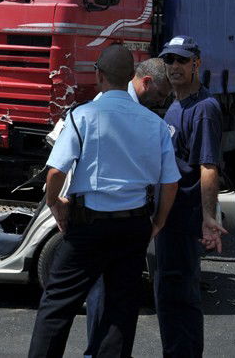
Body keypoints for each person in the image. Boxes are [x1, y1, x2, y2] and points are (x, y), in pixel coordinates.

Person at [28, 46, 180, 358]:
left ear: (99, 76)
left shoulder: (82, 115)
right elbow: (170, 182)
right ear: (130, 78)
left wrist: (54, 202)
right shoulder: (155, 125)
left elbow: (56, 171)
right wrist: (158, 221)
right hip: (134, 225)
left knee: (57, 305)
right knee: (121, 310)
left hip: (90, 225)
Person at [84, 57, 174, 356]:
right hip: (111, 216)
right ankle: (97, 351)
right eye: (160, 95)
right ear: (146, 82)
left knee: (119, 295)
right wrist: (158, 221)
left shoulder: (126, 109)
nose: (161, 102)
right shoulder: (121, 110)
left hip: (116, 215)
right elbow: (169, 179)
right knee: (106, 293)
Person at [156, 36, 228, 357]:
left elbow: (208, 167)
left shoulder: (204, 109)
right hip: (167, 220)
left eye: (181, 60)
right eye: (168, 60)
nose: (173, 67)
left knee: (181, 300)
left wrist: (209, 218)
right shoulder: (177, 103)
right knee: (168, 300)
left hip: (183, 221)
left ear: (196, 63)